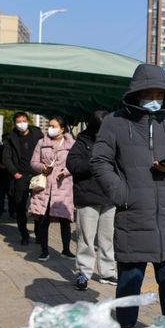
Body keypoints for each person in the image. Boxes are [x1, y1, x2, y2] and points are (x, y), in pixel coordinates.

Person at [91, 63, 165, 328]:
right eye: (150, 94)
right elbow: (99, 160)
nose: (155, 99)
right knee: (129, 285)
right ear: (137, 93)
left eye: (160, 95)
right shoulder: (115, 122)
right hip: (132, 218)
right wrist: (121, 193)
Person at [66, 110, 117, 291]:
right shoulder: (82, 142)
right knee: (86, 238)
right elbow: (73, 165)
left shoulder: (114, 143)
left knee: (107, 238)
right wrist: (95, 162)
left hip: (109, 197)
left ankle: (108, 272)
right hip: (87, 197)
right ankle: (83, 273)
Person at [29, 115, 76, 261]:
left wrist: (66, 172)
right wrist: (42, 167)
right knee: (43, 219)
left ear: (62, 129)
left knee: (65, 220)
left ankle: (66, 249)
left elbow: (75, 163)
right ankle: (44, 250)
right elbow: (33, 162)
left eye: (54, 126)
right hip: (45, 187)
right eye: (50, 125)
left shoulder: (72, 144)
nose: (50, 128)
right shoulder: (41, 143)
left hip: (63, 187)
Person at [2, 112, 43, 245]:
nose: (22, 124)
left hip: (37, 175)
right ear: (15, 123)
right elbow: (6, 158)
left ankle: (39, 233)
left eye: (24, 120)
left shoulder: (37, 134)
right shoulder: (11, 138)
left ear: (28, 121)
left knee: (38, 206)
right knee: (20, 206)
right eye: (19, 121)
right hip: (21, 176)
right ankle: (24, 235)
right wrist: (15, 173)